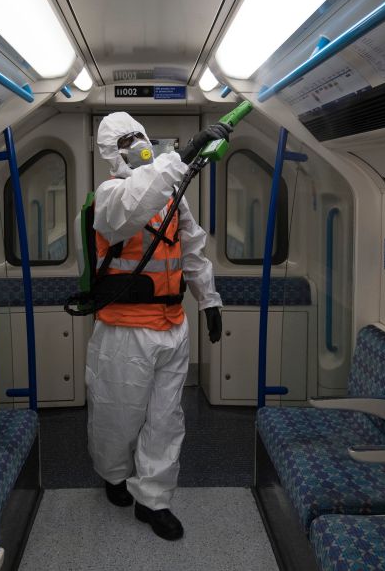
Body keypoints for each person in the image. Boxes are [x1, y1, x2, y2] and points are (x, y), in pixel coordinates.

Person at [86, 112, 228, 540]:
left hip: (172, 325)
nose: (138, 144)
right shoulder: (109, 196)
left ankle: (154, 499)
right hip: (124, 331)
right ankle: (113, 475)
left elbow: (193, 249)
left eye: (140, 136)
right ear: (112, 153)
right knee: (118, 415)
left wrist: (209, 300)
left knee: (166, 419)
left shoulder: (172, 194)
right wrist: (180, 157)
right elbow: (135, 204)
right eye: (127, 140)